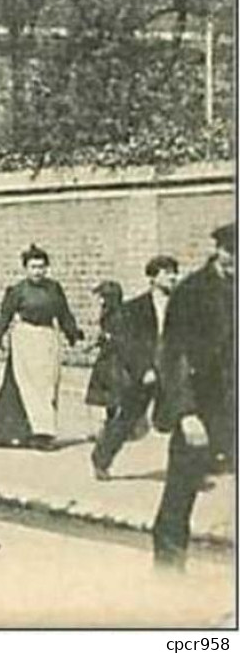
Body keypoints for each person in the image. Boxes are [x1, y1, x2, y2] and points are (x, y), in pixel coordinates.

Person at [152, 223, 235, 568]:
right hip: (202, 408)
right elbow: (173, 355)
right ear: (221, 251)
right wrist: (185, 412)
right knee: (181, 493)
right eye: (233, 253)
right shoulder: (192, 292)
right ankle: (168, 574)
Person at [0, 245, 83, 450]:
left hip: (48, 338)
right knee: (26, 387)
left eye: (41, 267)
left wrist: (72, 333)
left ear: (47, 268)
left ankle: (44, 431)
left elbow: (64, 313)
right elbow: (4, 317)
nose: (37, 271)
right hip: (26, 339)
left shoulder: (54, 288)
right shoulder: (18, 290)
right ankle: (33, 433)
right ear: (25, 269)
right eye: (33, 267)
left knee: (48, 386)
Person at [87, 265, 170, 480]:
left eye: (174, 272)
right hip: (146, 370)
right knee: (128, 417)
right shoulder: (136, 307)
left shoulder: (181, 304)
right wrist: (143, 369)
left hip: (171, 367)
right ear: (153, 278)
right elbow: (129, 343)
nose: (173, 277)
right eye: (167, 273)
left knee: (186, 415)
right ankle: (101, 459)